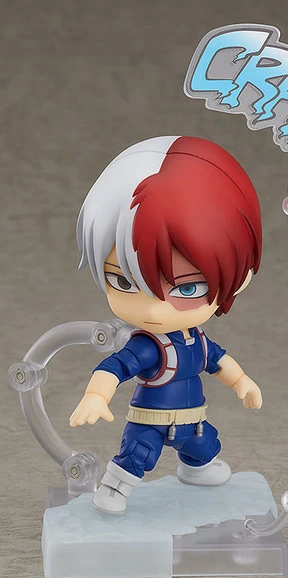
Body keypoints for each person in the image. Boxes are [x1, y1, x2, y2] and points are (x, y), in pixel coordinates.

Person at [69, 136, 263, 515]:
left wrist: (242, 382)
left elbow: (219, 361)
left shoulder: (197, 340)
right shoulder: (148, 346)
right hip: (150, 420)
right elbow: (114, 367)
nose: (156, 308)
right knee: (137, 454)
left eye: (187, 288)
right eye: (125, 282)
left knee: (204, 446)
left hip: (193, 418)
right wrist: (96, 395)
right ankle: (115, 488)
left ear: (238, 278)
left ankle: (196, 470)